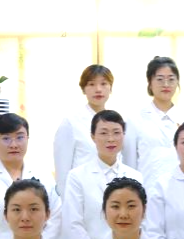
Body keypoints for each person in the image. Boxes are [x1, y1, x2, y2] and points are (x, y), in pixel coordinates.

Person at [61, 110, 144, 239]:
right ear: (93, 136)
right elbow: (73, 223)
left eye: (116, 133)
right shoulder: (77, 177)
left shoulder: (135, 176)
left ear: (124, 135)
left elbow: (141, 221)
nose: (111, 139)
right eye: (104, 133)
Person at [53, 64, 138, 195]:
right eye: (91, 84)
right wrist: (67, 200)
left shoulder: (117, 121)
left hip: (115, 193)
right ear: (83, 89)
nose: (98, 89)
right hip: (82, 192)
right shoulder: (71, 122)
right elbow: (63, 172)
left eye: (104, 84)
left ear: (110, 88)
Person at [134, 56, 184, 185]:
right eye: (160, 79)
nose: (166, 85)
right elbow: (130, 162)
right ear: (150, 83)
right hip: (146, 189)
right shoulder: (135, 119)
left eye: (171, 79)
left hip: (181, 188)